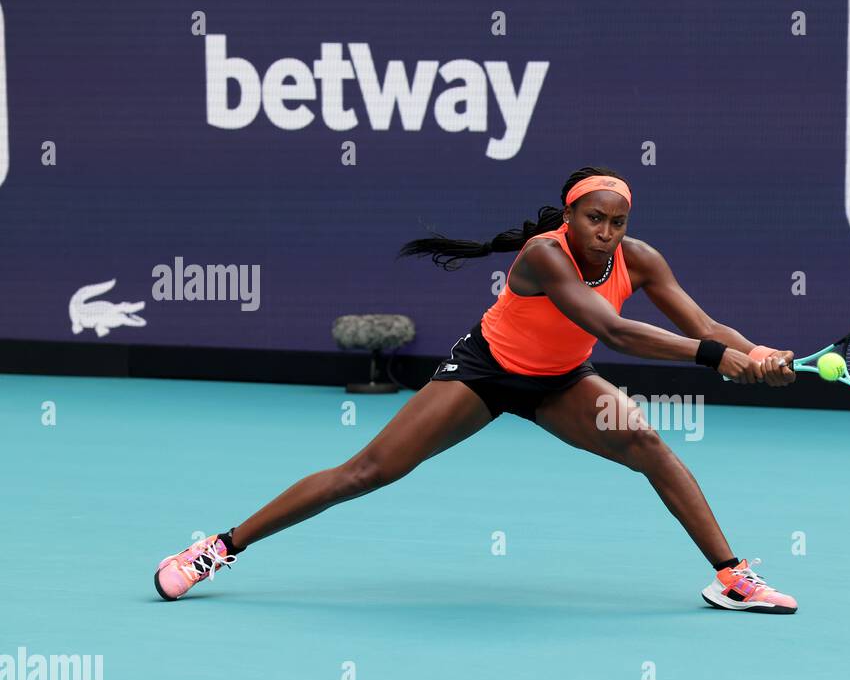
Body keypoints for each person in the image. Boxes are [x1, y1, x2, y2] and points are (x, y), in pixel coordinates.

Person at [154, 166, 799, 614]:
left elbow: (705, 324)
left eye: (618, 222)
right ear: (569, 214)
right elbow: (614, 330)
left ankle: (731, 578)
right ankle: (218, 547)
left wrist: (754, 352)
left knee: (647, 444)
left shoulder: (642, 259)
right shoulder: (545, 257)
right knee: (368, 471)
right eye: (594, 217)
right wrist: (717, 359)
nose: (607, 231)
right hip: (487, 373)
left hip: (561, 382)